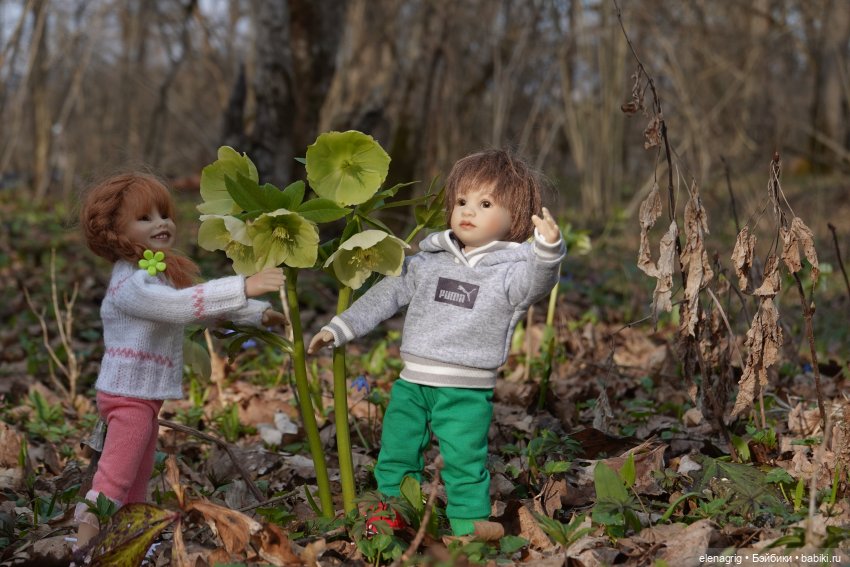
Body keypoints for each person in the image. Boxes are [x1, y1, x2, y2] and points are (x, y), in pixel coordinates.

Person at [308, 149, 565, 539]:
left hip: (465, 390)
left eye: (484, 203)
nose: (468, 211)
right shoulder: (427, 262)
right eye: (461, 201)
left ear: (515, 218)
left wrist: (547, 251)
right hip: (412, 383)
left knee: (464, 461)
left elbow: (538, 284)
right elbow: (386, 296)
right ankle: (388, 517)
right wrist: (340, 327)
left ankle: (469, 528)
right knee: (396, 452)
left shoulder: (512, 274)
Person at [74, 172, 287, 547]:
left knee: (137, 475)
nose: (161, 224)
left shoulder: (152, 275)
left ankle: (129, 539)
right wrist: (243, 286)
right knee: (115, 477)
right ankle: (85, 545)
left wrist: (255, 313)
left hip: (141, 395)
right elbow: (181, 306)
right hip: (128, 396)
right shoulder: (131, 284)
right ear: (115, 230)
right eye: (145, 218)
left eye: (165, 215)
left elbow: (200, 311)